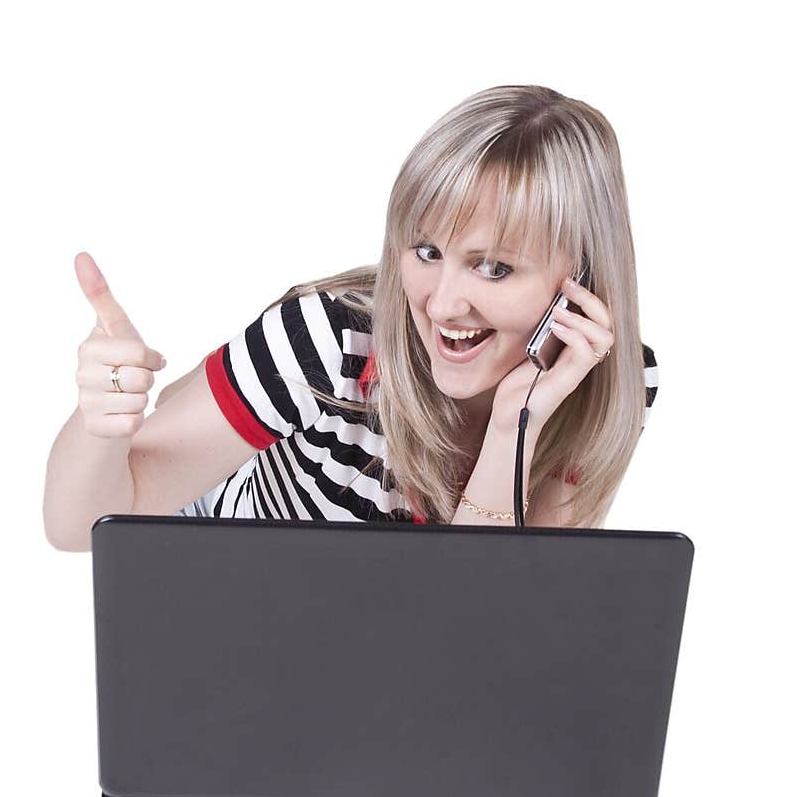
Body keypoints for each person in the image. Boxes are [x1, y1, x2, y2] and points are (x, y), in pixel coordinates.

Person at [43, 86, 658, 550]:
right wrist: (99, 425)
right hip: (227, 574)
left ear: (579, 275)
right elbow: (80, 528)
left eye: (494, 268)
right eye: (427, 252)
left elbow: (481, 628)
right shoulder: (327, 342)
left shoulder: (603, 382)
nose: (442, 305)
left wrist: (512, 430)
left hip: (378, 634)